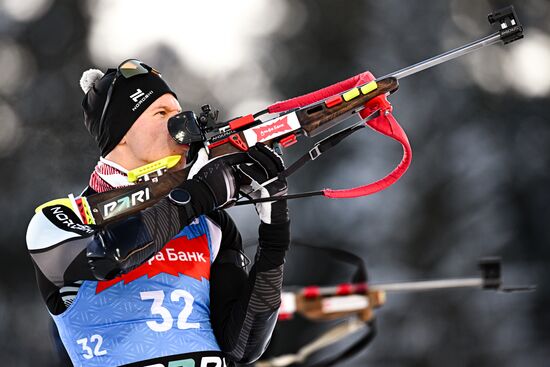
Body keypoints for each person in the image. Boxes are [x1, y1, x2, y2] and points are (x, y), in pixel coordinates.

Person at [26, 59, 290, 367]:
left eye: (179, 114)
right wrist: (200, 194)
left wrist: (274, 235)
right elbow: (108, 257)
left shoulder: (211, 224)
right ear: (121, 133)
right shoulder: (62, 219)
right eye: (161, 113)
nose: (182, 126)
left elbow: (243, 346)